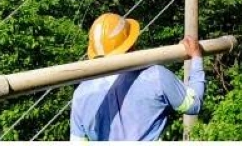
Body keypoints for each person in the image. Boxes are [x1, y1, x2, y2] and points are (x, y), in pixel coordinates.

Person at [70, 13, 205, 141]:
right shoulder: (155, 76)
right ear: (132, 43)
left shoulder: (80, 94)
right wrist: (196, 58)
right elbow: (193, 105)